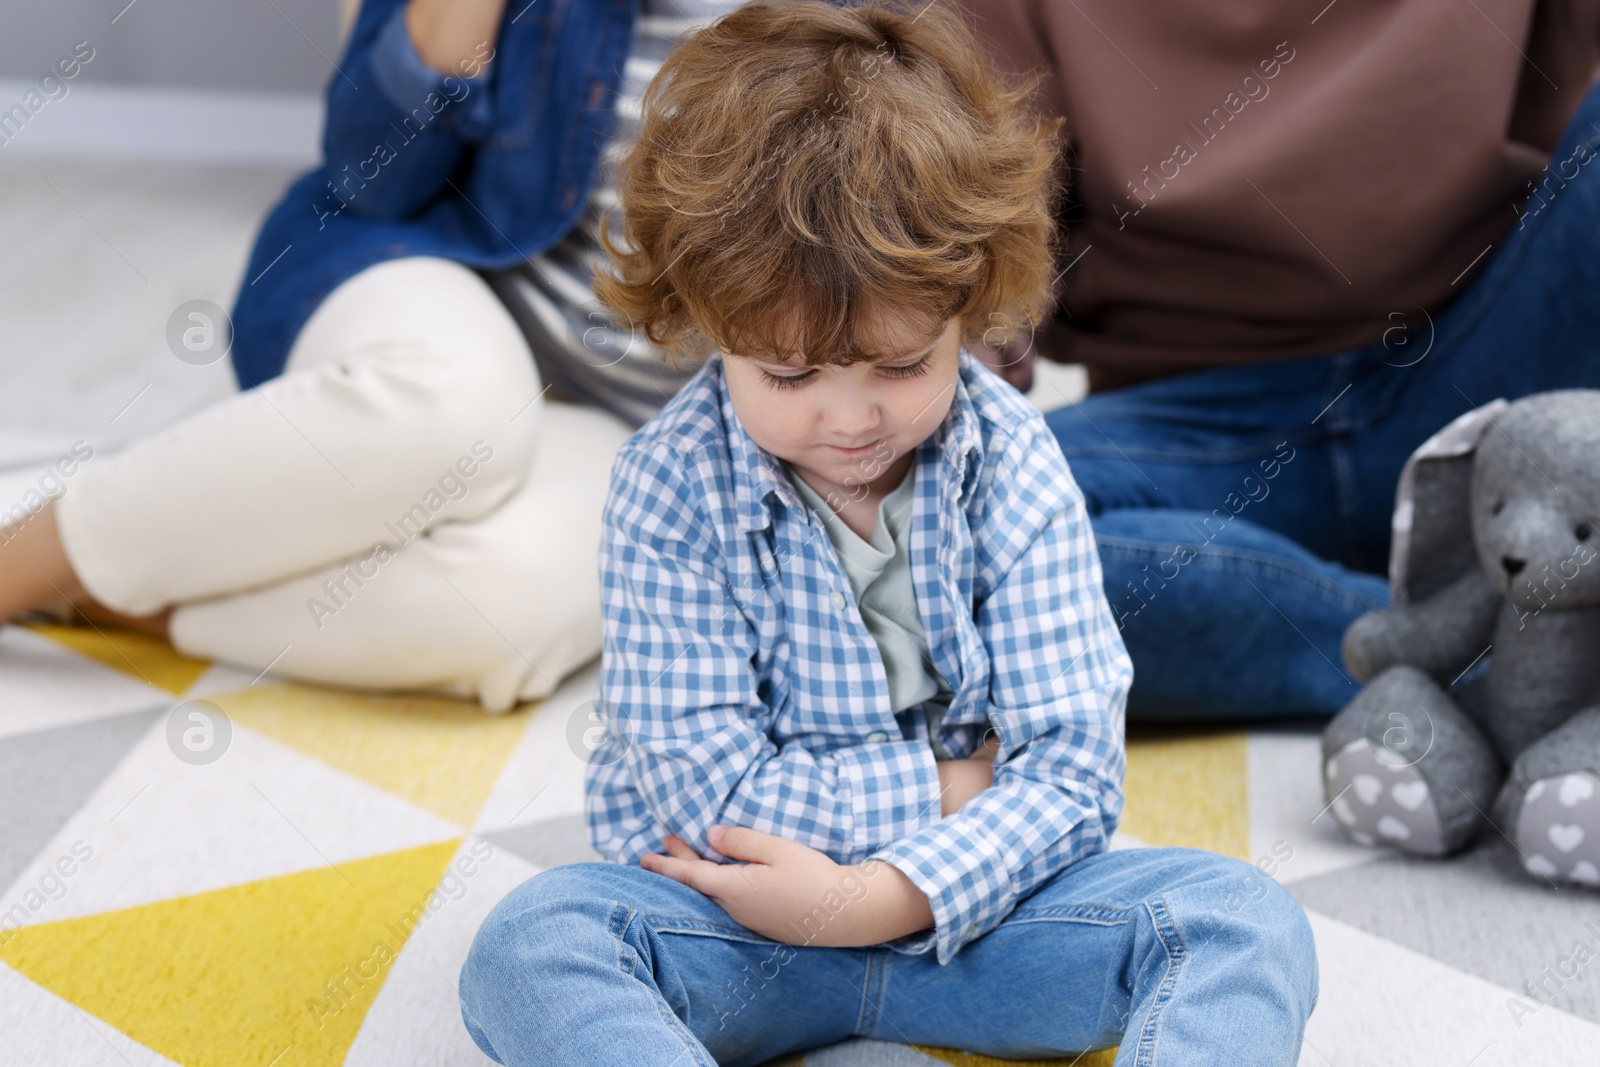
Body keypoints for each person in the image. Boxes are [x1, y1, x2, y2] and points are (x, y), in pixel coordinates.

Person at [457, 5, 1317, 1065]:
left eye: (903, 364)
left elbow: (1075, 774)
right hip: (742, 931)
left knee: (1242, 919)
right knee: (532, 941)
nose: (853, 419)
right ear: (707, 325)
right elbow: (706, 799)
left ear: (968, 304)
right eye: (789, 375)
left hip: (985, 921)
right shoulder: (665, 486)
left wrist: (879, 894)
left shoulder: (1014, 459)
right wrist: (951, 787)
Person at [0, 0, 758, 711]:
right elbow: (372, 175)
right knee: (454, 407)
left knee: (508, 613)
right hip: (433, 271)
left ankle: (112, 593)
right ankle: (17, 567)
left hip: (638, 417)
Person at [954, 0, 1600, 720]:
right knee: (941, 542)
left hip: (1496, 357)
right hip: (1194, 425)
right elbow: (979, 223)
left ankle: (1505, 641)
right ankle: (1504, 647)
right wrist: (966, 311)